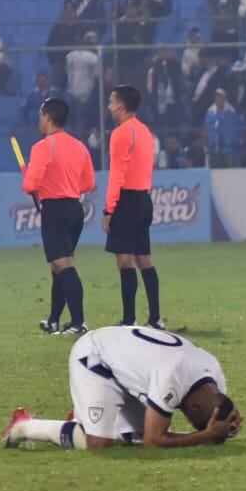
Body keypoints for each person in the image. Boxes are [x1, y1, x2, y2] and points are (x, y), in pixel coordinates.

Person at [0, 326, 243, 450]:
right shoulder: (172, 375)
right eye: (194, 418)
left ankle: (87, 418)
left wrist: (230, 421)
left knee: (130, 439)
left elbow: (221, 406)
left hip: (130, 370)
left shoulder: (213, 371)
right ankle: (23, 426)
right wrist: (205, 436)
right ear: (196, 405)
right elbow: (154, 442)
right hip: (95, 357)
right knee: (99, 444)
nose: (189, 419)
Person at [23, 98, 97, 336]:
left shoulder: (43, 147)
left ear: (47, 117)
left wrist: (37, 183)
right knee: (58, 266)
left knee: (64, 265)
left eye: (40, 115)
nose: (39, 119)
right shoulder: (79, 146)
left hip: (54, 210)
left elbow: (30, 184)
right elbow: (88, 183)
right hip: (75, 209)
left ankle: (78, 322)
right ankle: (54, 320)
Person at [104, 86, 162, 329]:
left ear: (121, 105)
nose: (108, 106)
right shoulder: (146, 132)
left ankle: (129, 319)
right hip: (143, 199)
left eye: (111, 101)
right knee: (144, 259)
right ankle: (155, 318)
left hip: (126, 201)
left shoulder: (121, 134)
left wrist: (109, 209)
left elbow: (117, 174)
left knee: (124, 261)